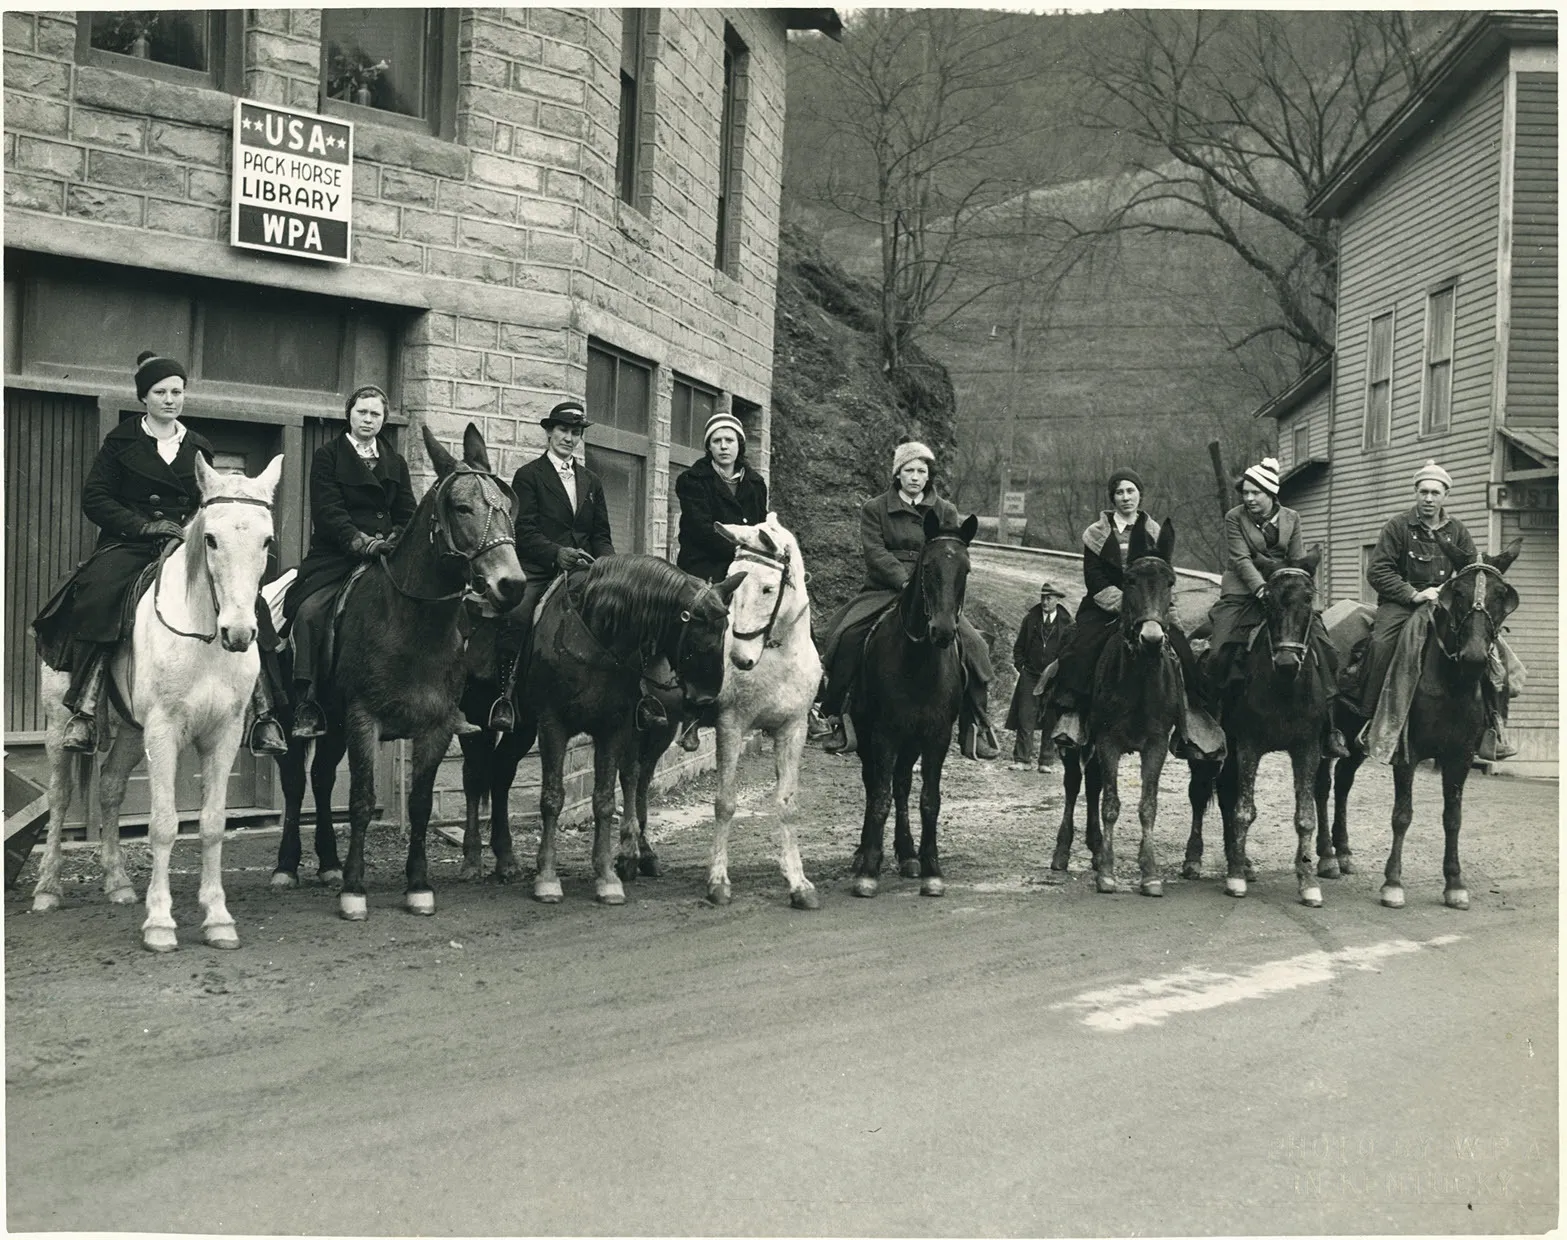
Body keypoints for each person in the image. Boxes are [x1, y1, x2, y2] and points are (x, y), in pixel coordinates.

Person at [31, 351, 286, 755]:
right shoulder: (121, 441)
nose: (170, 399)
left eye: (177, 391)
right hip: (130, 542)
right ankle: (84, 705)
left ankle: (264, 712)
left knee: (249, 603)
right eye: (160, 392)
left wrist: (190, 528)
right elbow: (95, 498)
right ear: (143, 398)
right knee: (98, 595)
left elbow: (210, 499)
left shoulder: (199, 444)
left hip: (184, 544)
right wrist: (142, 525)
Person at [818, 440, 1000, 760]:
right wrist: (903, 581)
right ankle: (838, 717)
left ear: (928, 476)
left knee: (976, 647)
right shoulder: (875, 508)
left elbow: (951, 554)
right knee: (845, 636)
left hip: (933, 592)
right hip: (885, 588)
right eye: (909, 470)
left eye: (921, 471)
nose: (915, 477)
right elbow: (874, 552)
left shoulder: (945, 510)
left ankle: (975, 726)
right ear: (897, 474)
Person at [1347, 459, 1514, 759]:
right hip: (1401, 606)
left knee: (1492, 650)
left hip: (1444, 605)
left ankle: (1493, 726)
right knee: (1381, 643)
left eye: (1435, 493)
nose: (1428, 498)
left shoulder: (1458, 531)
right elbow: (1378, 571)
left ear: (1445, 495)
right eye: (1423, 492)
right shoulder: (1398, 527)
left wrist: (1454, 594)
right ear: (1415, 493)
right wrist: (1413, 594)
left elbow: (1470, 571)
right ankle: (1370, 719)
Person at [282, 385, 417, 739]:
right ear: (350, 414)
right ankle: (307, 701)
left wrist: (395, 539)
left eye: (375, 414)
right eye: (362, 412)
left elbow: (407, 512)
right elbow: (329, 512)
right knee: (309, 612)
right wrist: (361, 542)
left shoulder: (395, 462)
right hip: (336, 557)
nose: (368, 420)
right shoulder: (328, 456)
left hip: (386, 556)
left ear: (384, 420)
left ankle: (435, 697)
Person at [1048, 468, 1212, 757]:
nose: (1125, 497)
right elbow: (1094, 577)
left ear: (1139, 494)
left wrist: (1154, 607)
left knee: (1184, 653)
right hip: (1106, 606)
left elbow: (1163, 574)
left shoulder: (1155, 532)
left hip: (1152, 605)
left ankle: (1193, 720)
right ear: (1112, 497)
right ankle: (1073, 714)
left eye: (1130, 491)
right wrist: (1125, 603)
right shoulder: (1096, 534)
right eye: (1119, 492)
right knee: (1080, 648)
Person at [487, 399, 616, 731]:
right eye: (563, 430)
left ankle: (630, 697)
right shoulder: (529, 475)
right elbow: (523, 530)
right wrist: (556, 553)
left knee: (620, 611)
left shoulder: (591, 481)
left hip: (585, 569)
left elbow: (600, 532)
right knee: (516, 615)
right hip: (541, 567)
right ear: (549, 432)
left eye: (575, 432)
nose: (569, 438)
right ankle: (505, 695)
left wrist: (609, 565)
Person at [1205, 458, 1347, 757]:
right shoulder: (1235, 518)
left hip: (1284, 591)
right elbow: (1241, 559)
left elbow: (1296, 560)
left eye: (1255, 493)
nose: (1249, 499)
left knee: (1327, 652)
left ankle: (1329, 728)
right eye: (1245, 493)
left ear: (1271, 493)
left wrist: (1291, 588)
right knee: (1219, 650)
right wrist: (1261, 589)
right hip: (1244, 591)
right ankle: (1213, 725)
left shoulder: (1292, 518)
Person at [673, 409, 768, 749]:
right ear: (708, 447)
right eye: (717, 441)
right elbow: (700, 529)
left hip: (744, 565)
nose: (724, 447)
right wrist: (740, 545)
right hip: (705, 566)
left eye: (729, 440)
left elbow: (760, 527)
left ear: (739, 445)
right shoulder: (693, 481)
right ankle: (691, 714)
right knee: (702, 634)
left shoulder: (755, 483)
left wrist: (753, 552)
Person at [1006, 580, 1072, 770]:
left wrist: (1060, 672)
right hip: (1031, 675)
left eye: (1049, 598)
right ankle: (1022, 760)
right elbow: (1018, 647)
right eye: (1043, 598)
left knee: (1051, 718)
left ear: (1057, 600)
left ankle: (1046, 761)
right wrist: (1022, 667)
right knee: (1025, 716)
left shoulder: (1067, 624)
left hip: (1054, 679)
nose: (1045, 602)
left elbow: (1071, 651)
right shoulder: (1030, 619)